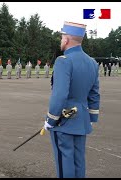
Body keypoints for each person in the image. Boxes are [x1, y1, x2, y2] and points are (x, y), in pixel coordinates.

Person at [43, 21, 100, 178]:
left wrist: (51, 119)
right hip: (81, 120)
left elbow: (60, 94)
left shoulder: (64, 61)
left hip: (64, 121)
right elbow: (94, 94)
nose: (61, 41)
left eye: (62, 37)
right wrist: (91, 117)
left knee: (64, 161)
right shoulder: (92, 63)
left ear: (66, 39)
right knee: (78, 161)